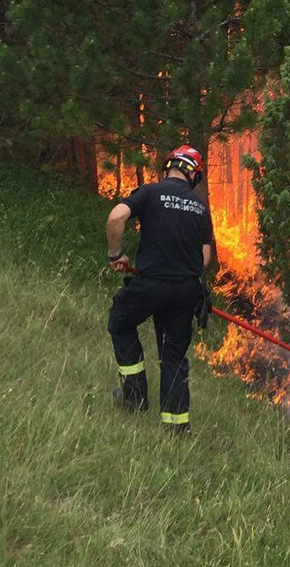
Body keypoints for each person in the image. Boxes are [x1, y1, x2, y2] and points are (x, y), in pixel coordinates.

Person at [105, 145, 213, 435]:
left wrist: (116, 255)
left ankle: (134, 397)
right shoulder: (200, 207)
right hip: (185, 290)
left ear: (169, 167)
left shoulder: (151, 192)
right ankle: (176, 429)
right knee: (173, 355)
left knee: (121, 322)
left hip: (150, 284)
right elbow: (204, 258)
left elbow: (116, 217)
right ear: (194, 175)